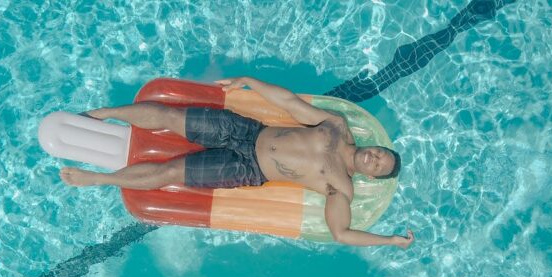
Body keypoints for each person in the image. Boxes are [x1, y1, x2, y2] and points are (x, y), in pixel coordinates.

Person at [59, 76, 415, 248]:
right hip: (246, 130)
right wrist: (248, 82)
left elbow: (341, 233)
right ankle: (104, 113)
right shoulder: (337, 126)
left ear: (371, 175)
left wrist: (390, 240)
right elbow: (292, 105)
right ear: (375, 148)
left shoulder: (342, 186)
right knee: (170, 115)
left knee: (171, 172)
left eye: (378, 167)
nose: (375, 159)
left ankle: (99, 179)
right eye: (381, 154)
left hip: (246, 170)